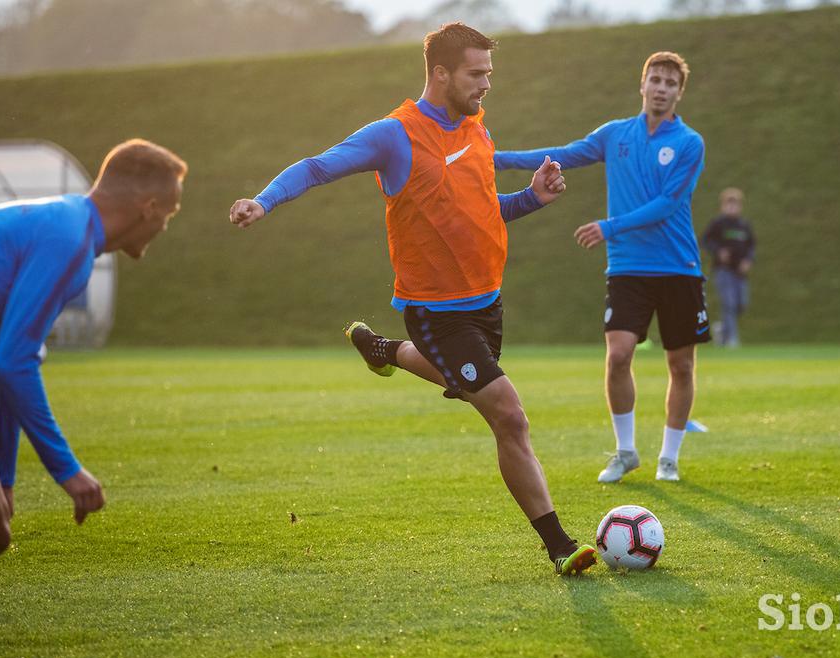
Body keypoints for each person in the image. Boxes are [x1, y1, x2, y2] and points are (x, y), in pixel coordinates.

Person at [229, 23, 596, 575]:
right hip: (437, 313)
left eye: (489, 74)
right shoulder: (394, 135)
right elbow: (316, 166)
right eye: (476, 74)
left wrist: (533, 198)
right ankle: (559, 545)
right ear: (440, 73)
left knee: (459, 379)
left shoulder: (476, 129)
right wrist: (264, 201)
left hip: (487, 306)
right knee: (508, 415)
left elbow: (483, 209)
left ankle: (382, 350)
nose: (486, 85)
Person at [0, 139, 187, 587]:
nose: (165, 225)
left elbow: (15, 359)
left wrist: (4, 476)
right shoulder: (69, 243)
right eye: (170, 214)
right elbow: (12, 363)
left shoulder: (67, 225)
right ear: (150, 206)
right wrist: (67, 471)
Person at [493, 51, 707, 484]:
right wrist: (499, 157)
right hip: (628, 267)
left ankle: (669, 457)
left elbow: (668, 204)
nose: (662, 88)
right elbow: (565, 154)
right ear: (642, 85)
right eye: (656, 79)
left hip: (678, 266)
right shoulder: (615, 134)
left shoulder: (689, 143)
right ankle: (626, 452)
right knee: (618, 357)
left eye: (671, 82)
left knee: (681, 365)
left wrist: (610, 226)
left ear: (679, 92)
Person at [701, 187, 755, 348]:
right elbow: (705, 240)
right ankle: (731, 339)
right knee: (729, 304)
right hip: (723, 271)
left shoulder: (744, 225)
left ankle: (722, 329)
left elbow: (751, 245)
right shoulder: (718, 224)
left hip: (740, 272)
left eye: (735, 204)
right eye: (729, 204)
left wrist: (748, 260)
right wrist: (718, 252)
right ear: (723, 206)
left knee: (741, 304)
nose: (732, 207)